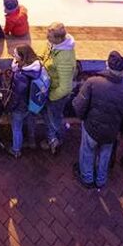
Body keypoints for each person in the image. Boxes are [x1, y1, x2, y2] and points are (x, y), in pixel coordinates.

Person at [72, 51, 123, 189]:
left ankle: (87, 178)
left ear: (107, 65)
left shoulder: (92, 82)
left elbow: (78, 105)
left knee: (87, 152)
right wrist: (121, 131)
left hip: (91, 128)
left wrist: (83, 118)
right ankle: (101, 180)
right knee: (105, 156)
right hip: (111, 133)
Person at [5, 44, 47, 158]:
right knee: (31, 122)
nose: (14, 56)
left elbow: (16, 96)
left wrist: (9, 107)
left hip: (20, 107)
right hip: (32, 104)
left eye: (16, 55)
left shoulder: (21, 75)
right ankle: (32, 141)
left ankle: (16, 150)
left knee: (16, 128)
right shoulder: (37, 68)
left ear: (22, 58)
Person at [42, 23, 75, 155]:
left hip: (57, 95)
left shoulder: (64, 57)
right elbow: (46, 55)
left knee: (54, 118)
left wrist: (51, 96)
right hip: (50, 88)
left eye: (50, 37)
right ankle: (52, 137)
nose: (47, 38)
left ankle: (57, 139)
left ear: (59, 39)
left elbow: (66, 87)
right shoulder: (54, 45)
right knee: (50, 116)